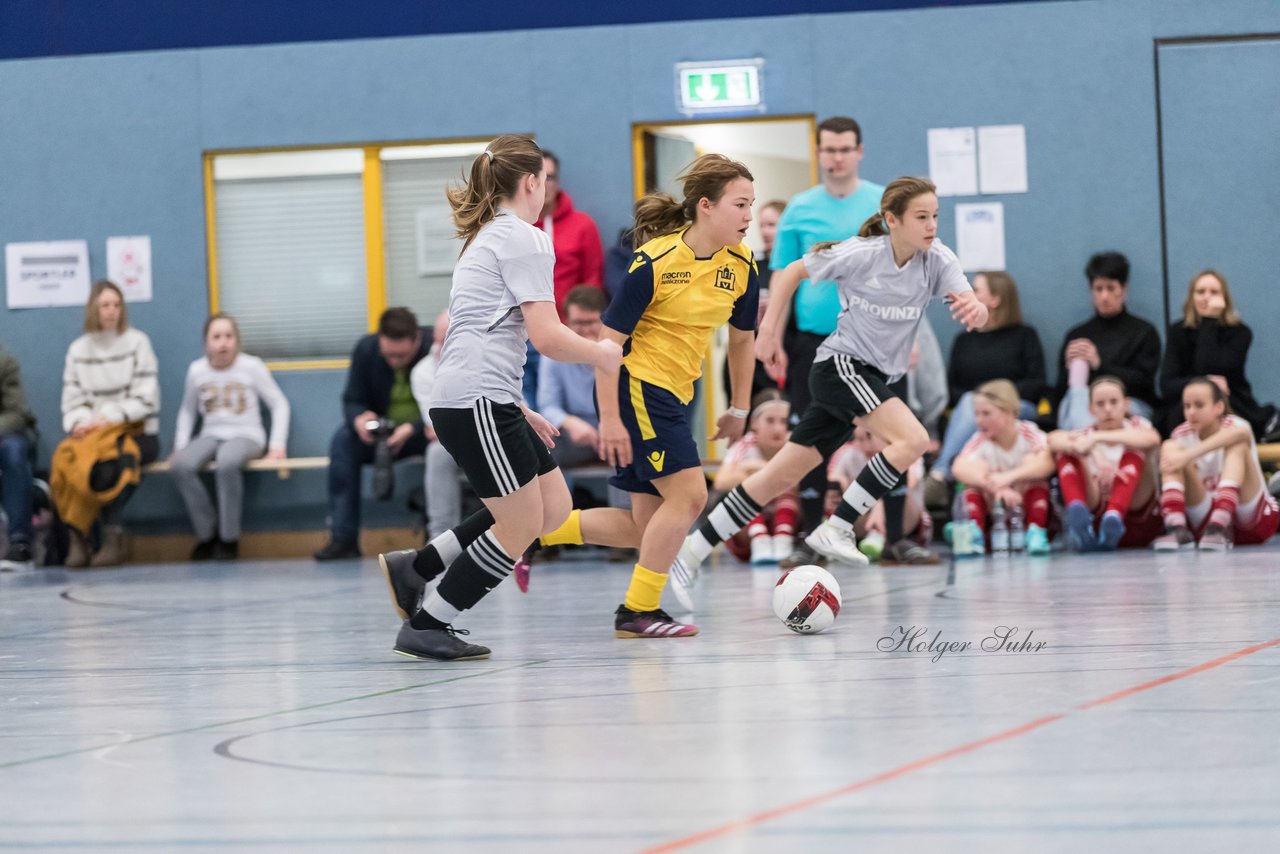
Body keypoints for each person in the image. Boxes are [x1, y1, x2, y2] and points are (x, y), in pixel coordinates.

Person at [669, 176, 988, 609]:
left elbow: (975, 304)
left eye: (935, 216)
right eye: (921, 217)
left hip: (873, 375)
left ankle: (689, 552)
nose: (931, 225)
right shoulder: (862, 254)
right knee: (912, 439)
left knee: (778, 476)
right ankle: (837, 527)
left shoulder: (937, 260)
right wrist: (771, 334)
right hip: (838, 367)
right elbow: (793, 273)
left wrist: (978, 309)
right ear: (892, 220)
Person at [377, 134, 621, 661]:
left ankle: (417, 567)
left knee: (551, 509)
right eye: (545, 181)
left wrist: (517, 404)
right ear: (532, 182)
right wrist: (602, 354)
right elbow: (546, 335)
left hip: (484, 395)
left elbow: (486, 333)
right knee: (518, 525)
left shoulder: (486, 236)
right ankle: (430, 620)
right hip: (476, 399)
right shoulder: (525, 238)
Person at [518, 152, 760, 638]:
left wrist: (739, 407)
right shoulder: (654, 262)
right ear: (706, 207)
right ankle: (638, 610)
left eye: (752, 204)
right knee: (691, 497)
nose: (749, 216)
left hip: (678, 392)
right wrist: (608, 417)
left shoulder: (743, 265)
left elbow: (741, 339)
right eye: (740, 204)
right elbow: (608, 346)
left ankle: (527, 533)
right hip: (640, 387)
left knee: (644, 528)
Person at [769, 116, 885, 567]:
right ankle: (810, 534)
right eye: (828, 149)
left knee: (890, 437)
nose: (836, 158)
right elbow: (782, 275)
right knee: (810, 436)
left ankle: (890, 535)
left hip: (873, 340)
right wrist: (772, 335)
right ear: (819, 152)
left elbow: (905, 273)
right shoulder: (799, 209)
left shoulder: (881, 203)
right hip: (813, 344)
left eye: (844, 149)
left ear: (859, 151)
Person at [55, 279, 160, 567]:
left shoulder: (138, 342)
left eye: (117, 305)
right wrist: (82, 421)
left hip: (133, 428)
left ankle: (114, 538)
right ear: (94, 309)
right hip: (89, 431)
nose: (111, 311)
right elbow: (72, 399)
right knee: (66, 461)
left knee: (109, 464)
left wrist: (110, 418)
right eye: (105, 305)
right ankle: (78, 538)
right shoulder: (78, 349)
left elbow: (146, 398)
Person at [314, 307, 432, 560]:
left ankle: (439, 537)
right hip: (382, 436)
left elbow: (449, 401)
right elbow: (351, 399)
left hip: (425, 432)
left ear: (417, 340)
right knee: (343, 443)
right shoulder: (366, 350)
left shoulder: (435, 347)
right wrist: (359, 418)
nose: (394, 361)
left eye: (401, 356)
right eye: (388, 355)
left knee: (443, 448)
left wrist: (414, 428)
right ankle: (343, 538)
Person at [170, 314, 290, 561]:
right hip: (211, 433)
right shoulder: (196, 370)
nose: (223, 343)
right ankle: (206, 533)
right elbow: (187, 410)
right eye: (216, 337)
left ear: (237, 341)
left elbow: (280, 404)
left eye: (229, 336)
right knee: (180, 465)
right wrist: (180, 446)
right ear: (206, 343)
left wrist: (277, 445)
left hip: (247, 434)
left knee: (227, 462)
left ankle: (228, 538)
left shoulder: (252, 367)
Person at [926, 271, 1046, 503]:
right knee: (971, 402)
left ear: (995, 299)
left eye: (976, 290)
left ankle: (941, 475)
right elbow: (952, 389)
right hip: (972, 408)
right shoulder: (964, 339)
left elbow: (1037, 383)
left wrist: (996, 399)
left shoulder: (1024, 336)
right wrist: (982, 401)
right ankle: (946, 476)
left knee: (976, 404)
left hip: (1016, 407)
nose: (969, 294)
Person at [1153, 378, 1278, 551]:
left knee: (1238, 445)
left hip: (1251, 520)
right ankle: (1176, 528)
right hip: (1206, 527)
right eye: (1187, 406)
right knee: (1169, 446)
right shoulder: (1180, 435)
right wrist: (1180, 459)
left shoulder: (1236, 425)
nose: (1191, 412)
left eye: (1199, 405)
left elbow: (1241, 434)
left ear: (1219, 407)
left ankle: (1220, 521)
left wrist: (1187, 456)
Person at [1159, 269, 1277, 440]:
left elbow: (1210, 367)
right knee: (1185, 411)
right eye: (1200, 292)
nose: (1207, 297)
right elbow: (1167, 385)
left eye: (1214, 292)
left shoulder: (1240, 333)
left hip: (1231, 401)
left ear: (1224, 299)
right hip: (1184, 405)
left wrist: (1209, 320)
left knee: (1219, 409)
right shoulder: (1178, 331)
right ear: (1192, 297)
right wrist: (1203, 381)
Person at [1048, 376, 1162, 551]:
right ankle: (1078, 512)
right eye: (1100, 404)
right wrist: (1092, 453)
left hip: (1136, 515)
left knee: (1136, 449)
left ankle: (1114, 513)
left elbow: (1152, 439)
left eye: (1114, 402)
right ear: (1090, 409)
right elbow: (1053, 439)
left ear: (1126, 404)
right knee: (1067, 452)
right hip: (1097, 519)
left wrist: (1096, 438)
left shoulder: (1137, 425)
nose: (1108, 409)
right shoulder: (1084, 434)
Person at [1054, 251, 1161, 430]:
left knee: (1110, 409)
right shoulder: (1077, 335)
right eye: (1099, 289)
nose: (1104, 296)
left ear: (1123, 289)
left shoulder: (1144, 331)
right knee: (1075, 404)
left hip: (1131, 401)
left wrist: (1099, 365)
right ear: (1091, 290)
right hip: (1085, 402)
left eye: (1111, 288)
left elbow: (1144, 383)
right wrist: (1068, 367)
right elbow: (1062, 389)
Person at [950, 380, 1055, 555]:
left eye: (986, 414)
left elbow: (1048, 462)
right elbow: (958, 468)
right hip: (997, 516)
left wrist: (1010, 477)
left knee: (1032, 462)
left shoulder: (1027, 432)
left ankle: (1035, 531)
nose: (979, 420)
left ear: (1008, 412)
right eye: (976, 414)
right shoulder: (980, 439)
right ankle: (974, 533)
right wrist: (995, 486)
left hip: (1025, 510)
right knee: (975, 470)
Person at [826, 423, 932, 562]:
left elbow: (910, 481)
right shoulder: (848, 452)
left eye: (868, 437)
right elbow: (832, 479)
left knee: (900, 487)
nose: (863, 445)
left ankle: (885, 539)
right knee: (836, 488)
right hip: (862, 519)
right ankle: (835, 535)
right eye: (858, 439)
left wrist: (880, 504)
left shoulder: (906, 448)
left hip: (905, 521)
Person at [715, 391, 796, 565]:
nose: (778, 428)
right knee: (745, 485)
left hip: (789, 521)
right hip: (749, 532)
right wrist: (769, 473)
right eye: (770, 420)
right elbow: (721, 481)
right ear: (754, 423)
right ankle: (760, 539)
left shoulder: (794, 444)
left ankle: (783, 538)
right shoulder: (745, 444)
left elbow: (807, 483)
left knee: (788, 483)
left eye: (783, 421)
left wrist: (759, 470)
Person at [409, 311, 464, 543]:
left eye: (450, 340)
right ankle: (442, 538)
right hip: (458, 442)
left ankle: (523, 535)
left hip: (496, 434)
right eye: (440, 340)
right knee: (437, 452)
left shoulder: (488, 358)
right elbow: (435, 426)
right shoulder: (423, 371)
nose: (442, 347)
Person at [537, 149, 605, 316]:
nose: (545, 184)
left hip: (572, 326)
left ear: (558, 181)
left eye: (550, 177)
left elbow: (593, 280)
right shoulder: (519, 228)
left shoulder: (583, 225)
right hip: (527, 328)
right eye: (538, 177)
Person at [0, 345, 37, 571]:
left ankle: (20, 543)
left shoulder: (5, 363)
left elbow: (16, 413)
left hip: (6, 433)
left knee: (14, 452)